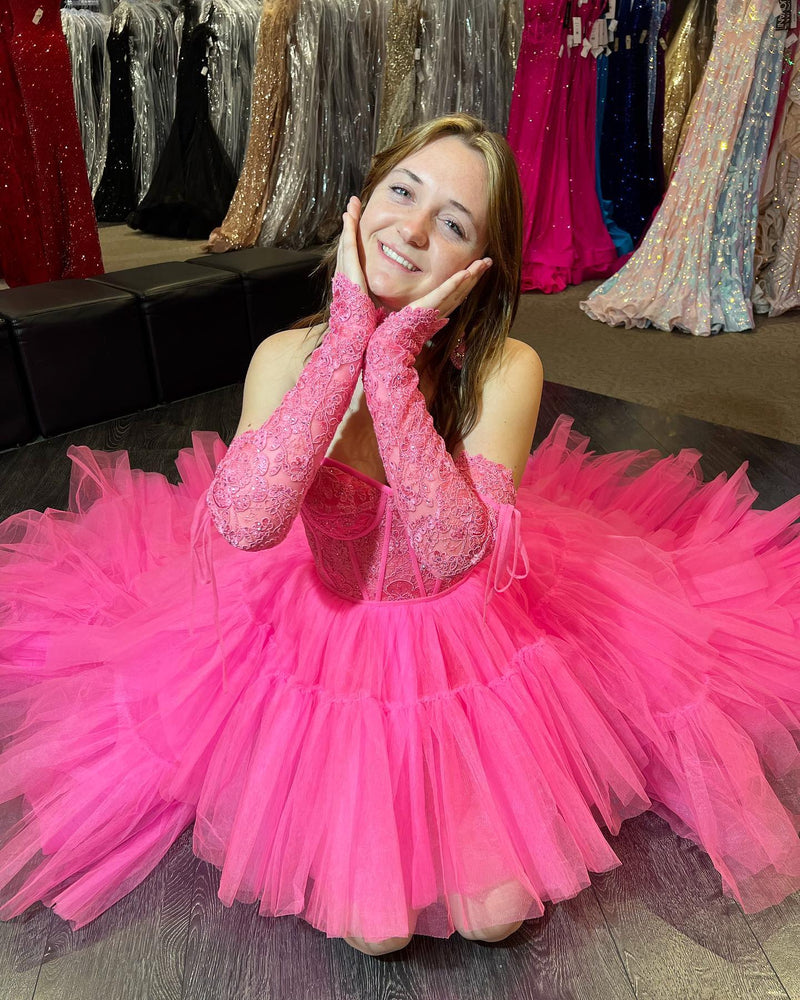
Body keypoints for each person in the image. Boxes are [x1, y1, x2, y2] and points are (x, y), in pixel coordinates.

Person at [0, 115, 799, 958]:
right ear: (360, 204)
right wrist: (347, 343)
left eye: (453, 223)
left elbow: (456, 548)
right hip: (324, 628)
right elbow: (245, 521)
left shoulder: (503, 369)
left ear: (481, 269)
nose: (412, 231)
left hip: (465, 630)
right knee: (375, 931)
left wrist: (393, 371)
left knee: (497, 914)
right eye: (401, 193)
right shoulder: (284, 354)